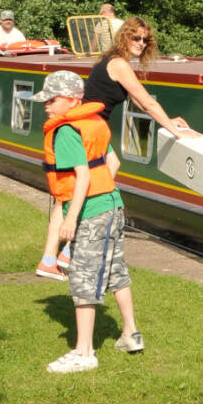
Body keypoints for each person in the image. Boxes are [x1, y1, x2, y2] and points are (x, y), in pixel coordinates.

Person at [34, 15, 192, 279]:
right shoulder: (118, 64)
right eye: (136, 37)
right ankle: (55, 256)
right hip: (87, 127)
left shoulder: (113, 60)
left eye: (145, 39)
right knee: (72, 193)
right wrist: (173, 130)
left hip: (92, 125)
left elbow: (140, 103)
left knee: (104, 171)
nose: (141, 43)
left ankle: (59, 255)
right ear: (124, 36)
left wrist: (169, 120)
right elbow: (146, 102)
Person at [32, 70, 143, 372]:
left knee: (82, 278)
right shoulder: (94, 122)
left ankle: (84, 353)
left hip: (92, 213)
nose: (46, 105)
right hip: (113, 206)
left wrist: (70, 217)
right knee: (115, 271)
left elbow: (81, 176)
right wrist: (103, 188)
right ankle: (131, 334)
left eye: (51, 100)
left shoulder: (67, 130)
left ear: (70, 100)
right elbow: (113, 163)